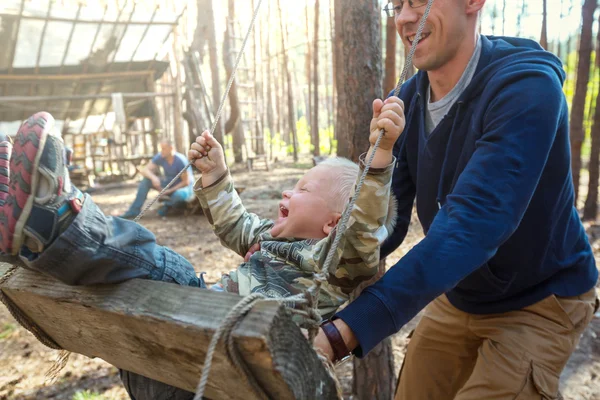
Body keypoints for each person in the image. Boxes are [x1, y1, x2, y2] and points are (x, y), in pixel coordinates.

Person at [0, 105, 403, 399]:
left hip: (223, 367)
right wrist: (216, 175)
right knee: (135, 280)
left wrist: (380, 158)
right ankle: (23, 237)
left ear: (333, 224)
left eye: (303, 189)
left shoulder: (331, 263)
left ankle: (56, 219)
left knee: (169, 271)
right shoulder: (268, 237)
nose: (287, 191)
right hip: (166, 358)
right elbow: (236, 222)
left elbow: (361, 230)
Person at [313, 0, 600, 399]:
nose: (405, 18)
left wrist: (344, 333)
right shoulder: (408, 100)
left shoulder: (526, 88)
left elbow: (474, 224)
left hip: (541, 298)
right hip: (461, 293)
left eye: (418, 1)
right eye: (396, 5)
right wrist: (304, 262)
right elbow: (386, 224)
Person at [119, 137, 194, 219]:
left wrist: (168, 191)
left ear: (171, 148)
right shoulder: (161, 156)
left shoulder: (180, 160)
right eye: (161, 149)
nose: (161, 151)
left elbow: (186, 182)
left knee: (178, 195)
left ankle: (166, 206)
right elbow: (145, 170)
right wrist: (153, 177)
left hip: (184, 187)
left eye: (163, 148)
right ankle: (134, 210)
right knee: (146, 181)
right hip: (169, 184)